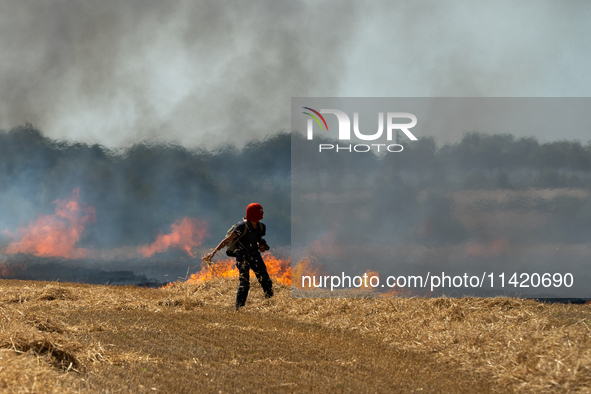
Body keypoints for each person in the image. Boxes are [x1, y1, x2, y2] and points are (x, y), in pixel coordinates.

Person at [204, 203, 273, 310]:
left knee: (266, 280)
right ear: (254, 213)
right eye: (260, 211)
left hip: (255, 256)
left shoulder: (261, 227)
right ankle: (239, 308)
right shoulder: (242, 226)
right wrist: (213, 252)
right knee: (244, 283)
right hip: (243, 258)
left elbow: (259, 243)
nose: (262, 213)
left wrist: (262, 247)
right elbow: (227, 240)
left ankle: (271, 303)